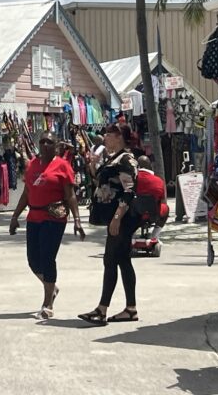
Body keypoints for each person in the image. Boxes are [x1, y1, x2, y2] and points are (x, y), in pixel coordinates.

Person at [9, 132, 86, 319]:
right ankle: (51, 288)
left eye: (49, 142)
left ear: (56, 145)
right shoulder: (32, 165)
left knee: (47, 258)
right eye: (42, 141)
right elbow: (27, 193)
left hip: (53, 218)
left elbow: (70, 195)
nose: (44, 145)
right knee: (33, 260)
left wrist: (77, 220)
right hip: (34, 217)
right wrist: (15, 216)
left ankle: (47, 304)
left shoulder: (62, 166)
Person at [78, 124, 139, 326]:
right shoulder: (114, 158)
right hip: (115, 216)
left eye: (109, 135)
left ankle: (102, 309)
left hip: (122, 218)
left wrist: (117, 217)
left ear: (119, 137)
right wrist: (93, 166)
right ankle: (130, 309)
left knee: (111, 260)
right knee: (122, 260)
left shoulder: (126, 159)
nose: (105, 138)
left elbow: (129, 190)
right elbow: (103, 183)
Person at [135, 156, 170, 242]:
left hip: (135, 213)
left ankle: (130, 234)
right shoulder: (158, 181)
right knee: (166, 208)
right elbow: (162, 199)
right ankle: (155, 235)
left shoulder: (132, 179)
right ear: (150, 166)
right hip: (153, 214)